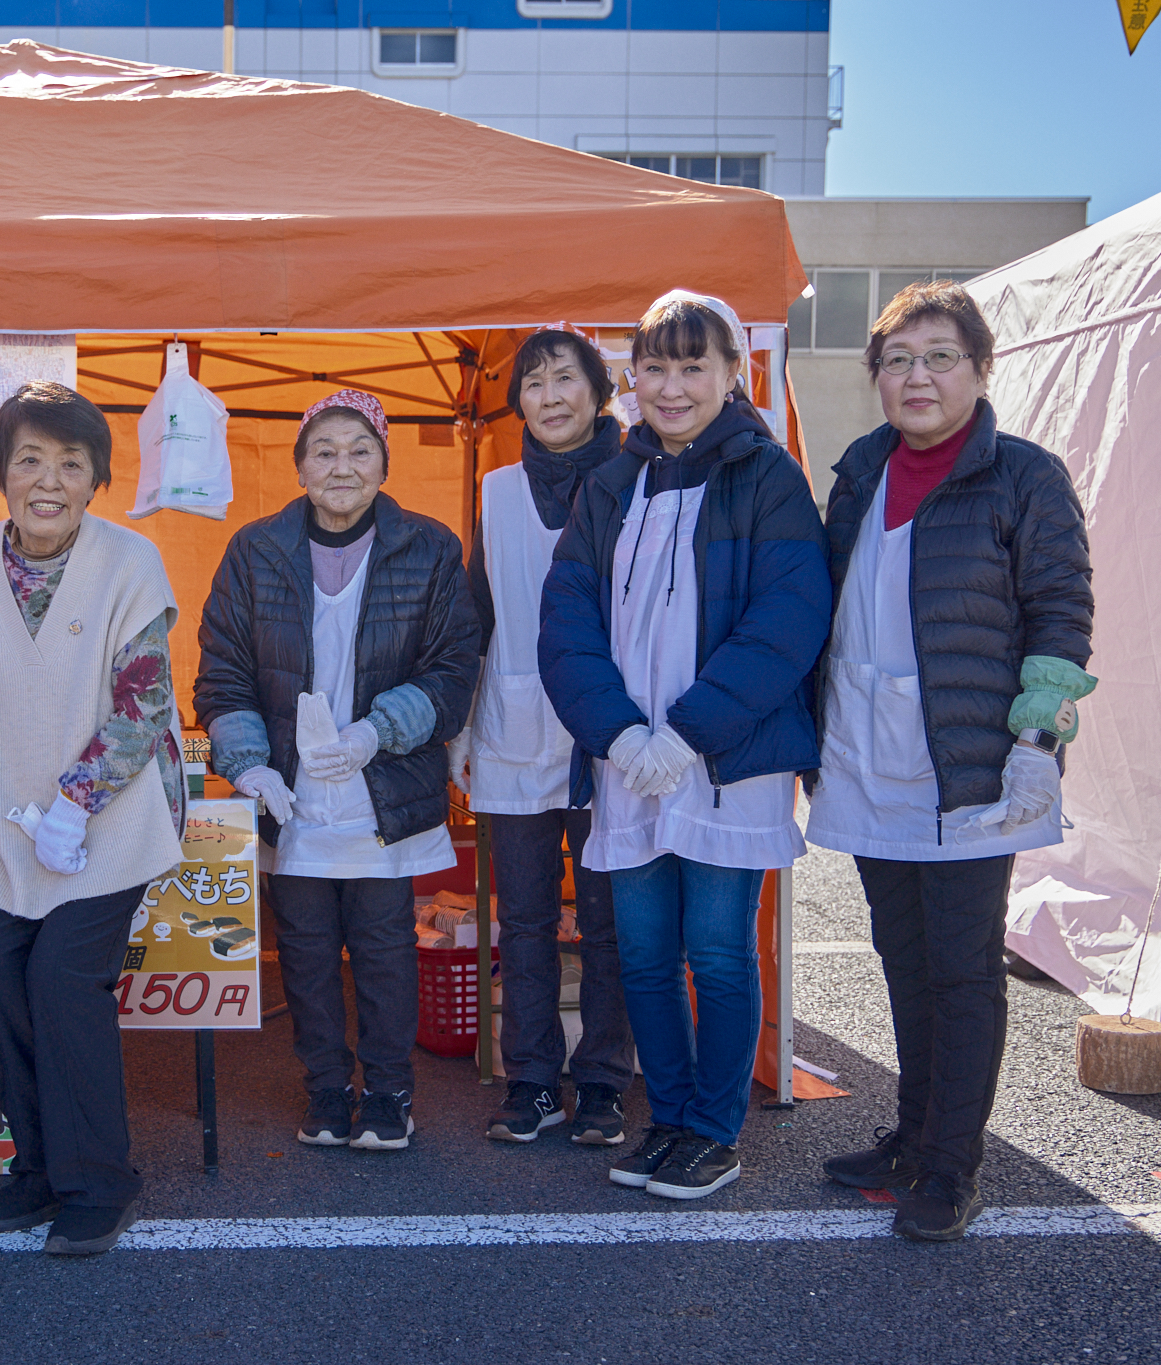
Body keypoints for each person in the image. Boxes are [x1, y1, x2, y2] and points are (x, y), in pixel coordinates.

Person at [805, 281, 1093, 1241]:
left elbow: (1061, 612)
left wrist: (1037, 742)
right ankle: (914, 1134)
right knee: (903, 957)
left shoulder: (1024, 477)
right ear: (877, 377)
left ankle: (952, 1166)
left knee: (963, 967)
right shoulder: (859, 472)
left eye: (939, 356)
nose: (916, 376)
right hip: (867, 756)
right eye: (898, 359)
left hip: (970, 765)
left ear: (979, 369)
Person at [538, 292, 830, 1201]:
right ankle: (667, 1117)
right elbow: (566, 621)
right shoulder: (611, 482)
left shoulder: (769, 477)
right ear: (632, 378)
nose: (672, 386)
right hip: (630, 761)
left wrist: (688, 730)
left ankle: (713, 1127)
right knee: (643, 951)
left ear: (734, 374)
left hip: (727, 761)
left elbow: (787, 622)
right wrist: (620, 731)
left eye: (694, 365)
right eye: (655, 367)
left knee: (718, 948)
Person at [196, 390, 481, 1152]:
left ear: (385, 462)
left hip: (384, 788)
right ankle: (325, 1087)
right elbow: (222, 673)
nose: (341, 465)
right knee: (308, 945)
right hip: (289, 794)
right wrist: (249, 765)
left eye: (359, 448)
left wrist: (376, 731)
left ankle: (389, 1093)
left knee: (384, 944)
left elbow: (454, 671)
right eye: (324, 449)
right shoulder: (254, 551)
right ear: (299, 466)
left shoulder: (429, 547)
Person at [0, 381, 184, 1256]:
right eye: (30, 460)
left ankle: (100, 1181)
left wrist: (75, 803)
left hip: (109, 822)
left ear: (97, 478)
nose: (48, 480)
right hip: (3, 824)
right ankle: (39, 1166)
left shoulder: (131, 560)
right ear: (2, 472)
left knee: (61, 983)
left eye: (71, 464)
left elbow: (144, 705)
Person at [448, 330, 634, 1146]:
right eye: (534, 382)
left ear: (600, 393)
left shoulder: (642, 478)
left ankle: (602, 1079)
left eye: (567, 379)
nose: (550, 395)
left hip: (613, 737)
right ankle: (531, 1078)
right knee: (522, 919)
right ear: (515, 401)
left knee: (609, 920)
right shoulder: (495, 490)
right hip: (515, 725)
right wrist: (456, 727)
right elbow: (474, 618)